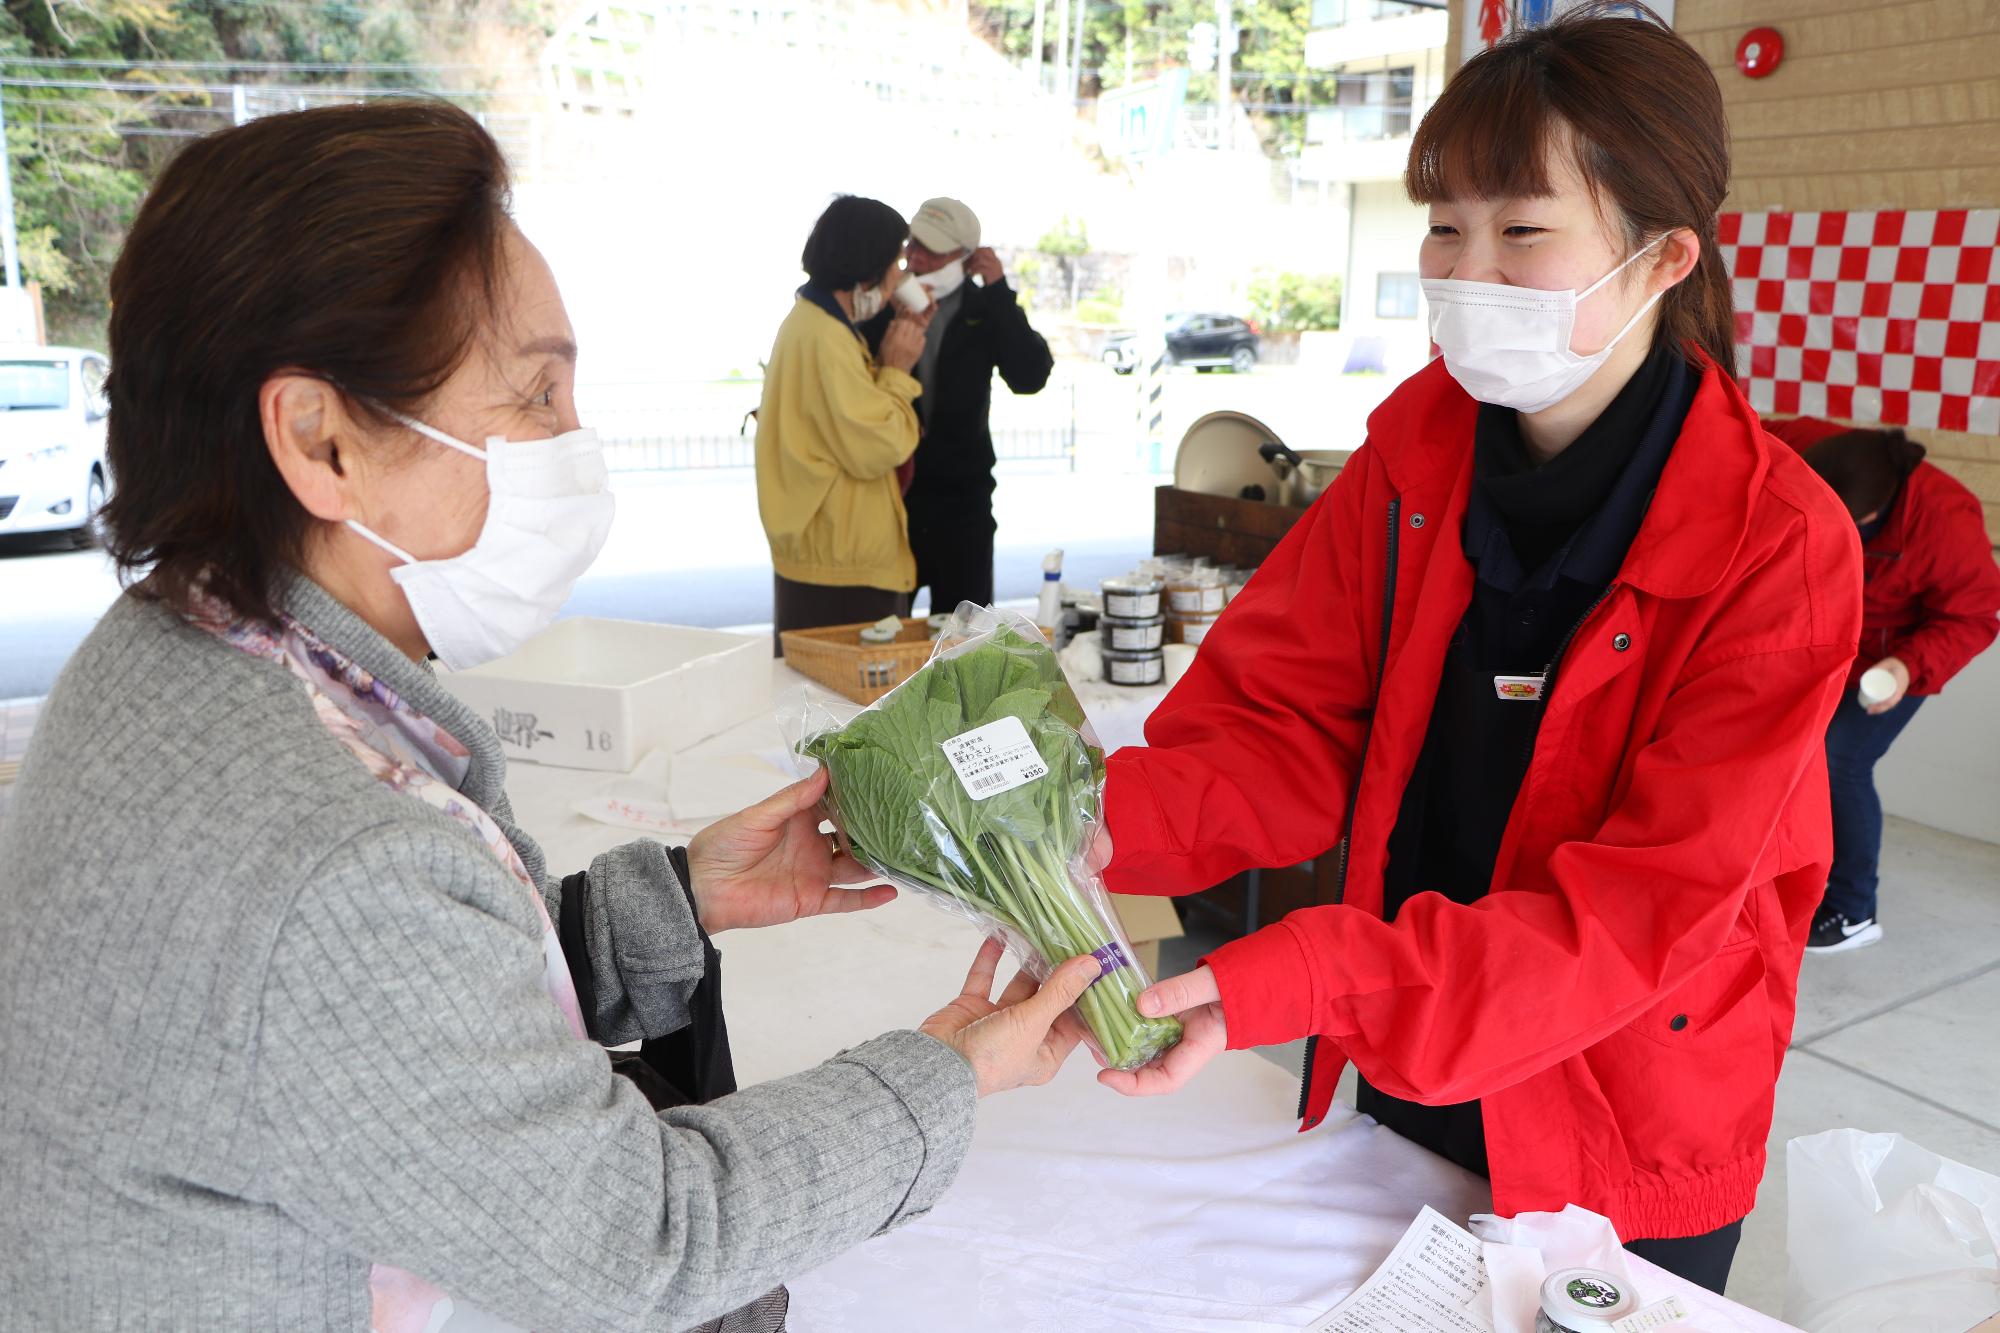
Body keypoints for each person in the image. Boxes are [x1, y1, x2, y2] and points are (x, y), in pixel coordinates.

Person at [0, 103, 1103, 1332]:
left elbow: (384, 1046)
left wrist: (671, 904)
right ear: (320, 442)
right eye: (532, 398)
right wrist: (946, 1075)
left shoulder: (173, 648)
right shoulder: (334, 854)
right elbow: (634, 1243)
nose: (575, 450)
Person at [1089, 11, 1861, 1296]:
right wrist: (1069, 824)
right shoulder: (1415, 453)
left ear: (1664, 257)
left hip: (1619, 1104)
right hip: (1407, 1046)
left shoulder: (1775, 545)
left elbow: (1631, 921)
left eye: (1520, 231)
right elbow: (1279, 727)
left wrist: (1312, 974)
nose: (1465, 268)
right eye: (1444, 225)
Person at [1768, 417, 2000, 954]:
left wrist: (1905, 667)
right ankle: (1779, 877)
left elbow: (1973, 618)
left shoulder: (1944, 517)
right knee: (1772, 750)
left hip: (1895, 662)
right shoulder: (1806, 446)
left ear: (1876, 512)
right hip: (1819, 644)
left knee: (1838, 760)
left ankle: (1853, 910)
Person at [858, 197, 1053, 612]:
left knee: (964, 642)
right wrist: (885, 308)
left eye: (931, 249)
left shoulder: (985, 309)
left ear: (965, 258)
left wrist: (1000, 291)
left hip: (963, 503)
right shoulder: (883, 302)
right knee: (885, 631)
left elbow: (1030, 376)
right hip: (893, 498)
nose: (916, 257)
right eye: (913, 244)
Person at [757, 195, 932, 649]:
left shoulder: (818, 326)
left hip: (834, 558)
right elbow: (881, 446)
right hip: (839, 568)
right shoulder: (825, 337)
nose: (901, 276)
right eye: (896, 260)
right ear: (866, 265)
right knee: (846, 710)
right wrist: (896, 370)